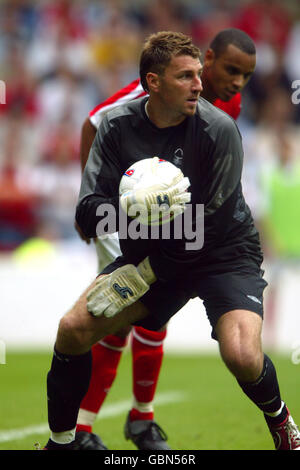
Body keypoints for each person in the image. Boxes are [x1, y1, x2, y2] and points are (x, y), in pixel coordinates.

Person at [44, 31, 300, 451]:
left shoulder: (220, 129)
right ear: (153, 82)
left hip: (224, 254)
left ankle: (280, 419)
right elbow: (88, 210)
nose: (200, 85)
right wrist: (131, 207)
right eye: (186, 76)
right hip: (157, 249)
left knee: (242, 355)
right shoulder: (115, 124)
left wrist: (145, 272)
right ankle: (64, 440)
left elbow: (209, 227)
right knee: (73, 329)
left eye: (199, 74)